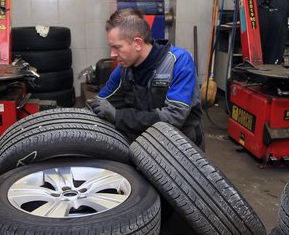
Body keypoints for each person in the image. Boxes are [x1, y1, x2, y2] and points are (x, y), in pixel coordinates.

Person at [87, 8, 205, 150]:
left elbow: (174, 118)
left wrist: (118, 116)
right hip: (145, 143)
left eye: (117, 47)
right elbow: (101, 103)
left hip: (182, 147)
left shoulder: (178, 62)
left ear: (137, 43)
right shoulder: (123, 70)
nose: (112, 54)